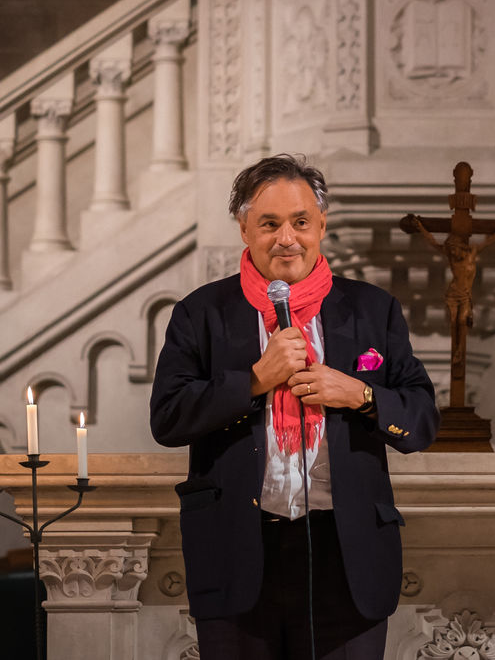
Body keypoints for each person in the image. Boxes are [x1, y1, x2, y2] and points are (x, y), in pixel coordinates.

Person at [150, 154, 439, 659]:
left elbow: (421, 422)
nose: (287, 238)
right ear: (244, 229)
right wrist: (255, 380)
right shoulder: (201, 313)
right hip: (237, 549)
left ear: (321, 224)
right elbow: (168, 418)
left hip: (345, 554)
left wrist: (360, 395)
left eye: (300, 222)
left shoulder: (373, 309)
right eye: (269, 224)